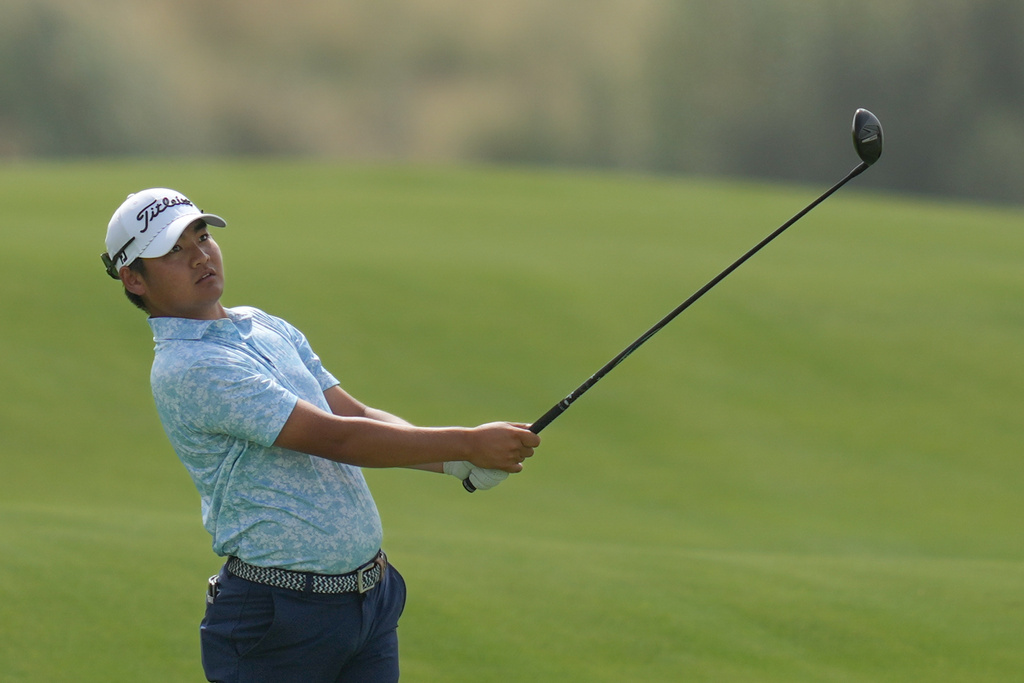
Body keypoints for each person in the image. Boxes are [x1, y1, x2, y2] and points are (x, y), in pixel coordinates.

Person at [102, 188, 540, 683]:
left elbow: (355, 414)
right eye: (174, 250)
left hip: (368, 601)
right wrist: (466, 442)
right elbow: (335, 439)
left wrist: (455, 463)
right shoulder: (189, 367)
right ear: (133, 278)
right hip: (278, 619)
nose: (201, 255)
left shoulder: (261, 324)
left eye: (201, 236)